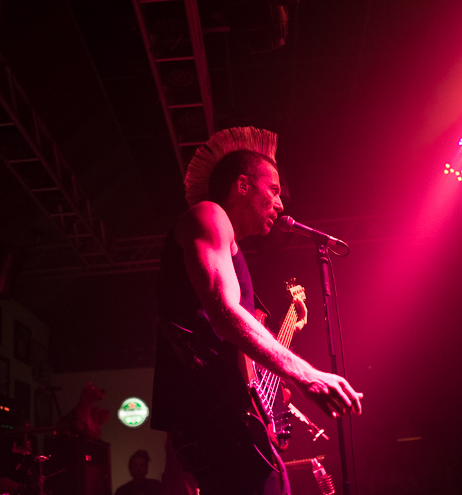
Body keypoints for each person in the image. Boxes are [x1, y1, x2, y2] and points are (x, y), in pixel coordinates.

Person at [151, 126, 363, 495]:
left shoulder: (232, 248)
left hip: (227, 416)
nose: (281, 205)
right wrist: (307, 375)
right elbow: (225, 314)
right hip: (215, 416)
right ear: (243, 185)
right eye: (274, 190)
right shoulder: (209, 215)